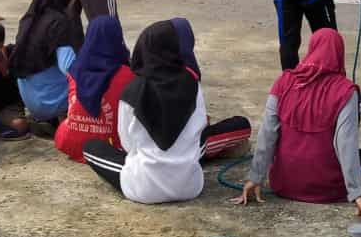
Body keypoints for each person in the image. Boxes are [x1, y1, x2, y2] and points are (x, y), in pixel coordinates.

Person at [234, 28, 361, 220]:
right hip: (329, 190)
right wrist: (357, 192)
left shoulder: (283, 82)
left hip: (283, 185)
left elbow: (267, 133)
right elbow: (345, 144)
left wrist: (255, 177)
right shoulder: (346, 91)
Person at [83, 20, 249, 203]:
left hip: (143, 189)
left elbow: (128, 144)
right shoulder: (192, 84)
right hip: (190, 186)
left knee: (91, 148)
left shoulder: (132, 91)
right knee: (193, 147)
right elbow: (199, 128)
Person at [54, 15, 136, 162]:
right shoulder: (127, 75)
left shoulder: (74, 70)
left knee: (66, 124)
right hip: (109, 145)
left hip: (69, 142)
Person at [11, 0, 85, 129]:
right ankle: (66, 121)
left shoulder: (29, 18)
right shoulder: (60, 24)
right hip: (48, 102)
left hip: (29, 99)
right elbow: (70, 69)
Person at [170, 17, 253, 159]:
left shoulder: (144, 72)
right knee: (242, 125)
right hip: (189, 150)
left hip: (152, 150)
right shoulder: (189, 74)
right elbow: (197, 123)